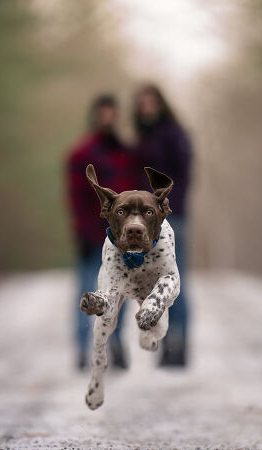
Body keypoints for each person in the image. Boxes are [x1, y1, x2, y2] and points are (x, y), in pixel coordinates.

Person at [66, 94, 135, 371]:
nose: (108, 118)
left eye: (112, 113)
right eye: (103, 113)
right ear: (95, 116)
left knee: (120, 293)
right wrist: (82, 230)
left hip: (122, 238)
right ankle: (83, 349)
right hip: (92, 236)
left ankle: (116, 344)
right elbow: (75, 197)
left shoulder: (127, 155)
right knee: (87, 291)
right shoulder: (81, 155)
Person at [132, 84, 192, 367]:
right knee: (155, 284)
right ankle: (167, 344)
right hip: (144, 223)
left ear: (161, 103)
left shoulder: (173, 134)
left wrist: (168, 208)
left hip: (172, 218)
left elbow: (185, 175)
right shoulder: (142, 138)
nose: (147, 107)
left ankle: (179, 347)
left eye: (151, 102)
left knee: (176, 281)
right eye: (142, 103)